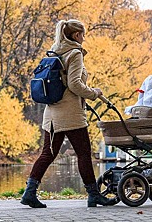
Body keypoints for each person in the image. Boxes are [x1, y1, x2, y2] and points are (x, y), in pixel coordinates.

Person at [21, 19, 118, 208]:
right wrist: (94, 93)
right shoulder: (74, 54)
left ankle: (29, 192)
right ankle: (94, 194)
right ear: (76, 35)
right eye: (83, 34)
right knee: (83, 153)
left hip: (52, 112)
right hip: (71, 114)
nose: (84, 38)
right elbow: (74, 84)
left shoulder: (55, 50)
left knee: (47, 154)